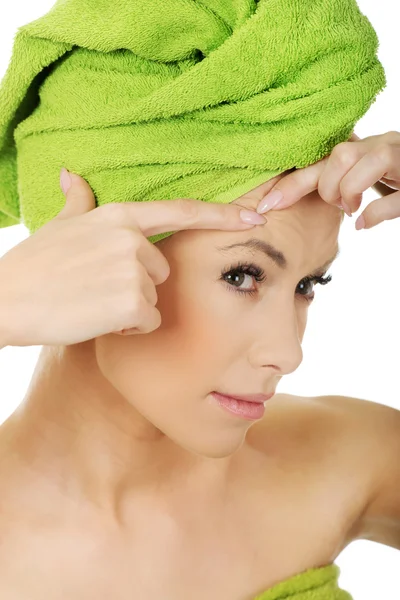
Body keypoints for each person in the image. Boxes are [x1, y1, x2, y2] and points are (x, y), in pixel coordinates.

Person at [0, 130, 398, 599]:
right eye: (242, 275)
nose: (288, 354)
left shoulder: (343, 459)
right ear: (91, 257)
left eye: (308, 284)